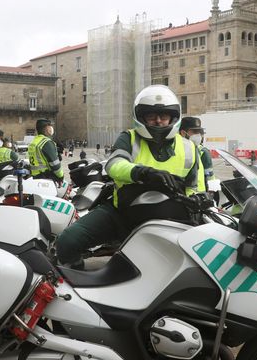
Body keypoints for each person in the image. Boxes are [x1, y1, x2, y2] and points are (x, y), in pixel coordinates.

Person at [56, 85, 201, 268]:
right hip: (122, 213)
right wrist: (143, 172)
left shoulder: (189, 148)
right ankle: (75, 285)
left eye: (163, 116)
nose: (158, 121)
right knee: (68, 241)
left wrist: (199, 198)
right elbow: (114, 165)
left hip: (169, 220)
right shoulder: (129, 138)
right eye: (151, 116)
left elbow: (194, 186)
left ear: (173, 117)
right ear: (141, 117)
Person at [179, 116, 214, 192]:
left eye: (200, 132)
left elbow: (210, 178)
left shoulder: (203, 151)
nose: (199, 135)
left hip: (199, 197)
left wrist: (212, 194)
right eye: (195, 132)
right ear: (183, 133)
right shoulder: (174, 150)